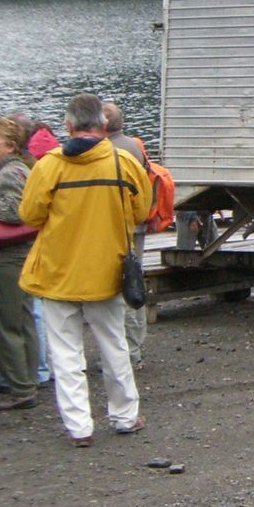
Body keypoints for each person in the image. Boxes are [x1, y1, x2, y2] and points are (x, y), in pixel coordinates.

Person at [18, 93, 151, 446]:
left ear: (68, 125)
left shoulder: (49, 165)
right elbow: (141, 213)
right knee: (114, 345)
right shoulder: (124, 163)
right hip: (108, 272)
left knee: (65, 355)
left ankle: (79, 427)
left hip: (56, 272)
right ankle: (124, 416)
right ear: (103, 124)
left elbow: (29, 215)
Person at [0, 118, 41, 411]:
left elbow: (15, 212)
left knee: (6, 324)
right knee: (23, 319)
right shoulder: (16, 168)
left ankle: (21, 387)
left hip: (6, 258)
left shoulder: (10, 172)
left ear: (10, 144)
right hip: (18, 256)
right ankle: (28, 380)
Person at [104, 101, 150, 368]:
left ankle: (129, 351)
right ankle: (134, 348)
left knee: (126, 283)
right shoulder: (133, 145)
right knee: (134, 280)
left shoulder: (112, 150)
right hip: (136, 223)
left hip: (122, 226)